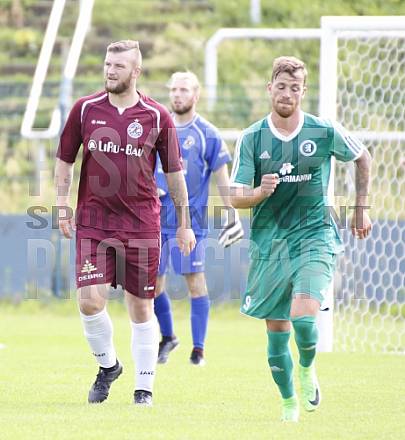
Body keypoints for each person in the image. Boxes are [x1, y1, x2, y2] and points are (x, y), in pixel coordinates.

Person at [230, 56, 372, 422]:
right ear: (269, 89)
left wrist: (360, 208)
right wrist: (259, 192)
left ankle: (307, 368)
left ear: (303, 92)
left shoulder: (322, 131)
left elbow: (363, 157)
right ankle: (289, 402)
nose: (287, 94)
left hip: (315, 235)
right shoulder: (252, 138)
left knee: (305, 319)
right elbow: (235, 197)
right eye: (281, 86)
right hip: (270, 244)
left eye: (295, 88)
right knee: (277, 333)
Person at [54, 40, 195, 406]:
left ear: (136, 72)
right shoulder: (85, 109)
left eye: (118, 66)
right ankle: (109, 367)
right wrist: (61, 203)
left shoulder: (157, 116)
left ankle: (143, 389)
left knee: (141, 306)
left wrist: (184, 223)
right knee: (89, 301)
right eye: (107, 64)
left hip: (141, 224)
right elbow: (65, 160)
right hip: (94, 223)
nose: (110, 70)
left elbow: (175, 175)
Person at [154, 71, 243, 366]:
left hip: (189, 223)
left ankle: (198, 349)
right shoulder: (157, 128)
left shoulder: (208, 134)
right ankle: (168, 337)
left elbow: (222, 178)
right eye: (174, 89)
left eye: (184, 90)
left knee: (194, 282)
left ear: (196, 95)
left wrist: (231, 212)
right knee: (151, 284)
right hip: (155, 220)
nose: (177, 94)